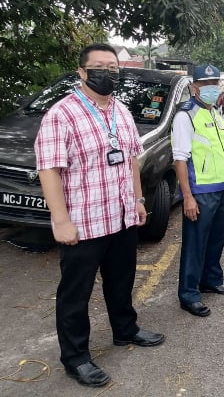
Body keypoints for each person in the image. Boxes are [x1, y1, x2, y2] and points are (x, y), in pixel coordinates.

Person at [34, 43, 165, 388]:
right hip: (84, 222)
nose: (107, 73)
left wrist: (137, 201)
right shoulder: (61, 114)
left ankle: (126, 330)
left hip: (120, 216)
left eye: (113, 67)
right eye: (100, 67)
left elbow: (132, 160)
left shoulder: (120, 111)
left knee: (121, 280)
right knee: (75, 294)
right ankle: (76, 358)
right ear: (82, 72)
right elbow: (49, 170)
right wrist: (60, 220)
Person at [171, 63, 224, 318]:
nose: (211, 88)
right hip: (201, 192)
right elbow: (179, 158)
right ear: (195, 87)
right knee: (195, 244)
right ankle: (189, 294)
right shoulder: (186, 115)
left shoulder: (215, 113)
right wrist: (187, 196)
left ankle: (211, 279)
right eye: (206, 84)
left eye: (214, 83)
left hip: (222, 188)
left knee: (216, 238)